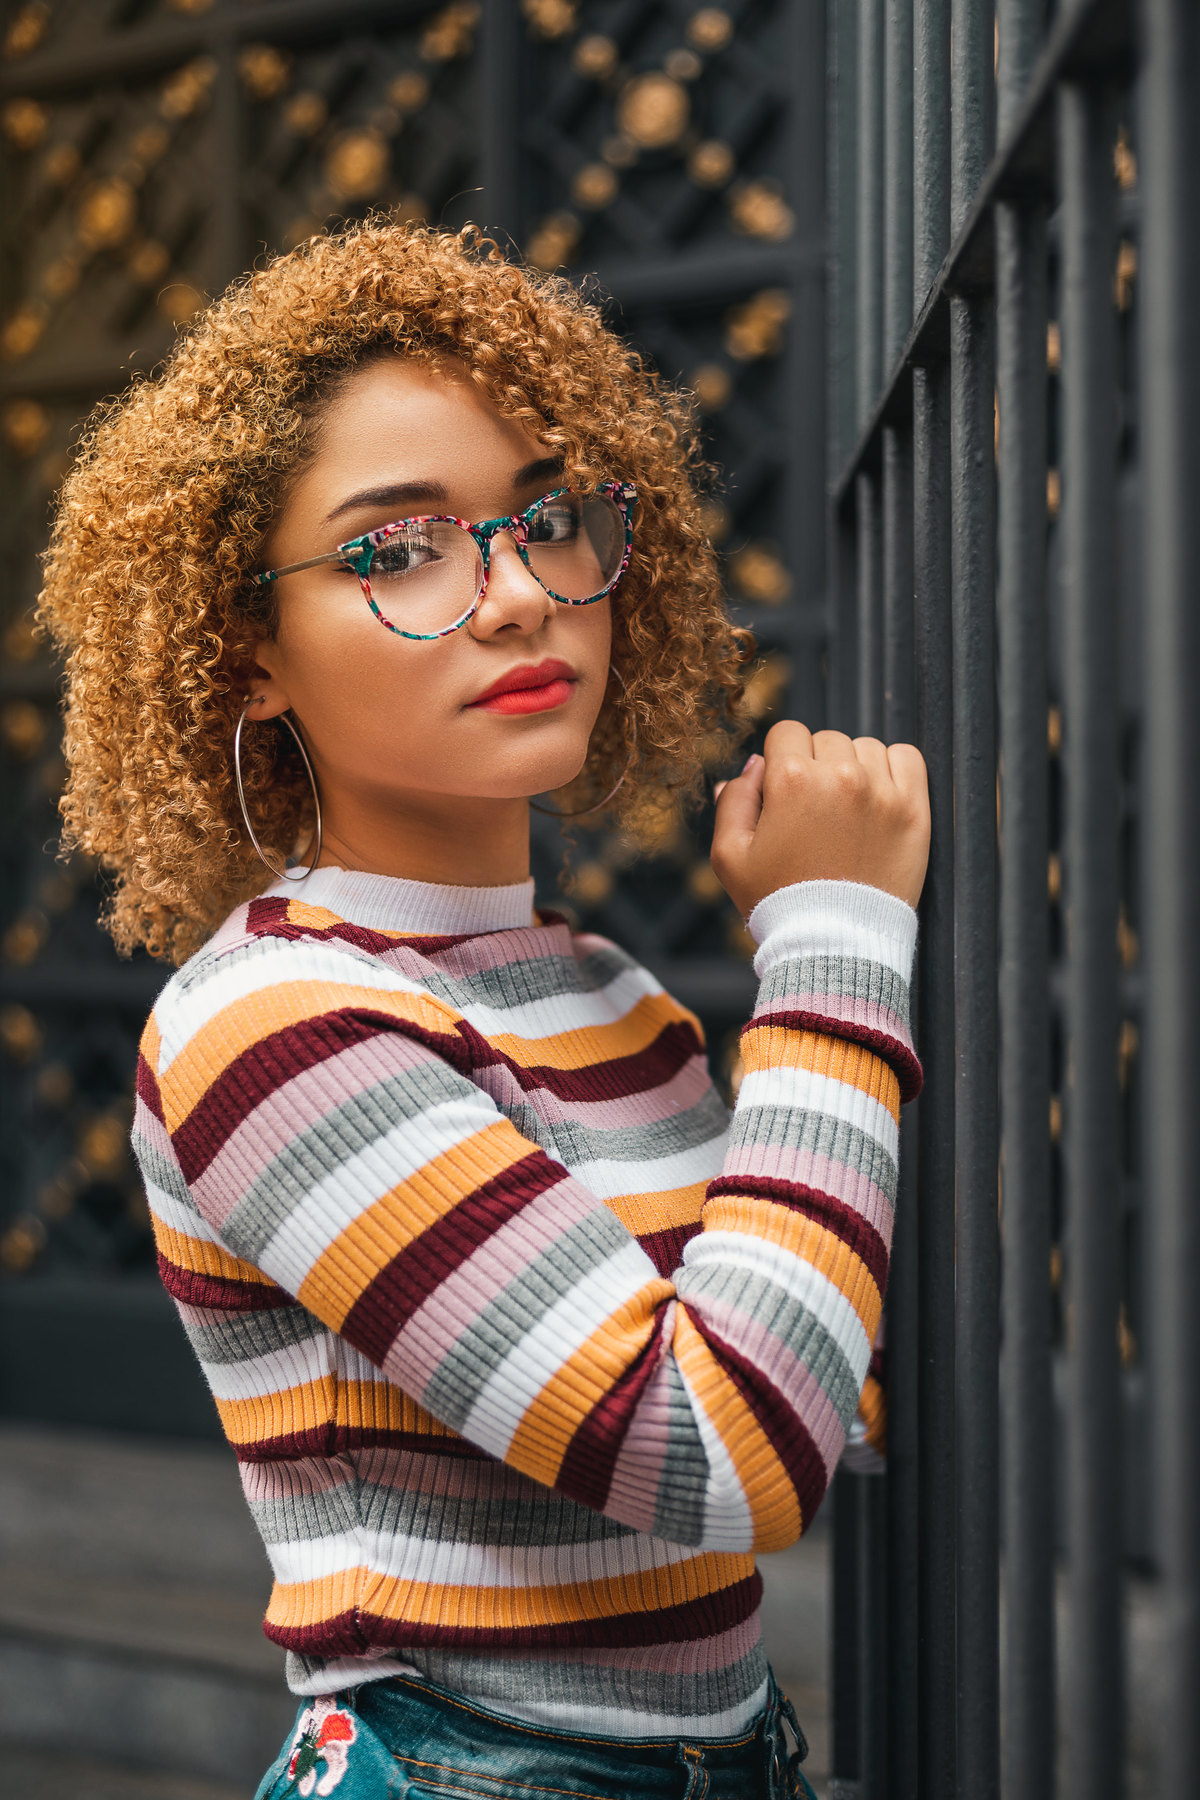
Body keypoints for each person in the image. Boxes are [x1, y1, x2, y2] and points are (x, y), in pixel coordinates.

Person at [38, 221, 929, 1800]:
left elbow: (802, 1369)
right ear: (246, 656)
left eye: (546, 520)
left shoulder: (608, 995)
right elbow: (727, 1453)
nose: (515, 595)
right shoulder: (276, 1025)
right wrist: (837, 941)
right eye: (398, 551)